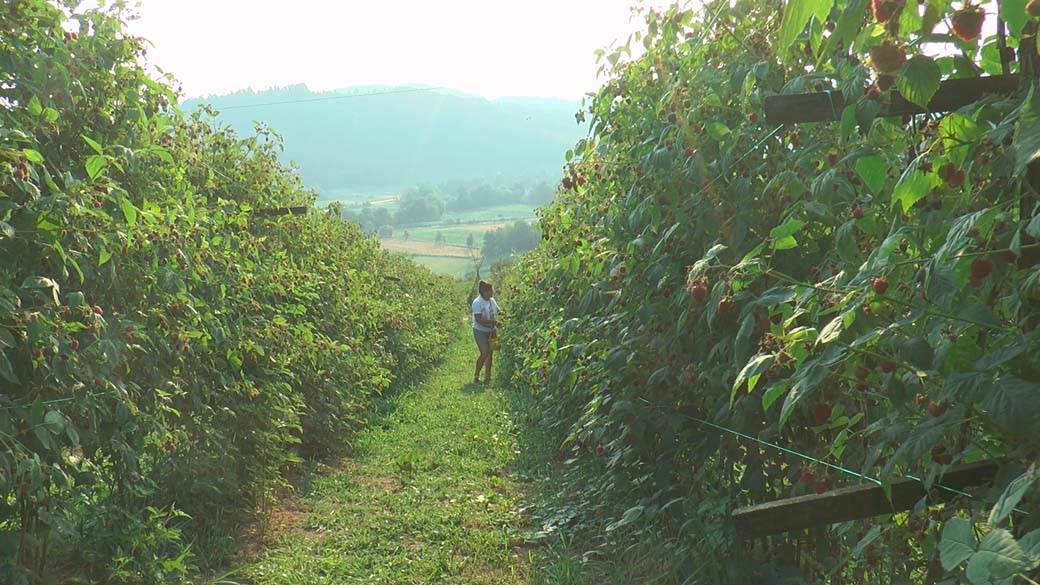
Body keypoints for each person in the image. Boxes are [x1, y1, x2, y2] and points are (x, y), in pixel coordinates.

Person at [471, 280, 500, 385]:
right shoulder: (477, 303)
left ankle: (488, 377)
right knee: (484, 353)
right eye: (490, 291)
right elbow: (479, 319)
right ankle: (476, 376)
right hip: (480, 331)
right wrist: (493, 322)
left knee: (490, 353)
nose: (492, 293)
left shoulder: (492, 300)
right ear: (484, 291)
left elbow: (499, 311)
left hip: (492, 331)